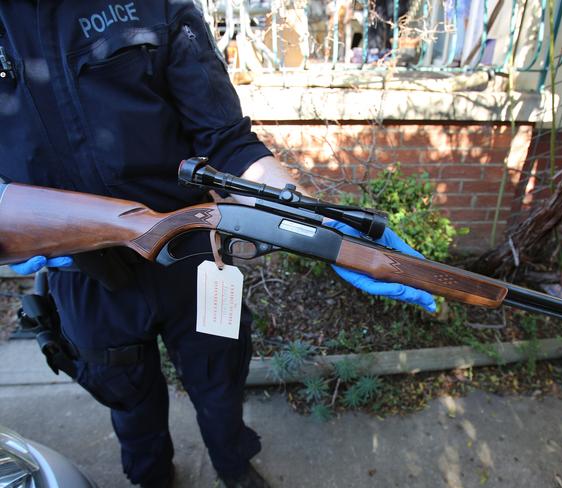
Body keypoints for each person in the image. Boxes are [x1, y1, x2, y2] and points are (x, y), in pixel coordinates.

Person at [0, 1, 435, 487]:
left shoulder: (152, 6)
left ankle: (232, 465)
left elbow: (227, 142)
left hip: (190, 251)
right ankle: (150, 476)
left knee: (219, 379)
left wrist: (318, 222)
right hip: (82, 275)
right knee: (127, 398)